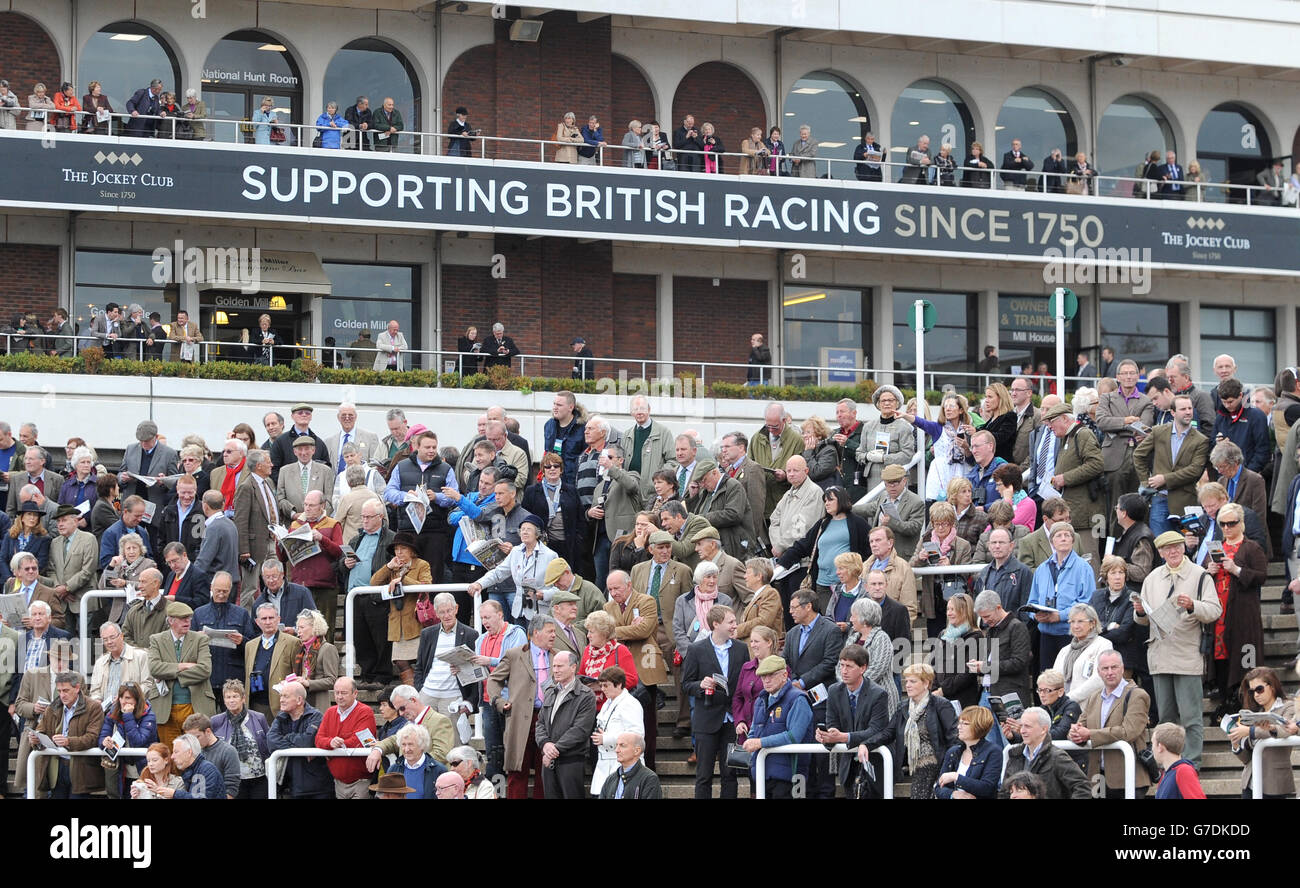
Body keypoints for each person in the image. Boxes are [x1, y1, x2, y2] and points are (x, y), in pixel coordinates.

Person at [1203, 502, 1265, 716]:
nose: (1227, 528)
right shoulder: (1215, 547)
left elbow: (1261, 576)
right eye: (1223, 524)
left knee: (1243, 655)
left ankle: (1243, 699)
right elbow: (1201, 577)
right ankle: (1224, 695)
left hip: (1242, 613)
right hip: (1218, 613)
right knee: (1221, 656)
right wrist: (1208, 570)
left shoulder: (1252, 547)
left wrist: (1237, 569)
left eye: (1232, 523)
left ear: (1241, 523)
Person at [681, 605, 748, 799]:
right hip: (706, 718)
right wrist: (700, 685)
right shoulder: (696, 649)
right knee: (704, 775)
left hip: (732, 720)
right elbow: (686, 684)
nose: (735, 625)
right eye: (731, 622)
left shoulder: (741, 648)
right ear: (716, 624)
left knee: (730, 774)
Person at [1068, 650, 1152, 797]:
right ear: (1099, 672)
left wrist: (1089, 734)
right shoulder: (1094, 697)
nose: (1110, 672)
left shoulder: (1138, 695)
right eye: (1105, 668)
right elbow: (1080, 725)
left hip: (1129, 776)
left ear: (1123, 668)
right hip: (1097, 778)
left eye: (1114, 667)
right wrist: (1074, 733)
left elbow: (1129, 732)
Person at [819, 644, 892, 795]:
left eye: (849, 666)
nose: (844, 671)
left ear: (863, 668)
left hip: (875, 766)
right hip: (849, 769)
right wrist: (827, 736)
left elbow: (876, 730)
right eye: (842, 665)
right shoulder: (834, 691)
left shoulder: (878, 694)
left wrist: (844, 736)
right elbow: (833, 725)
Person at [741, 655, 813, 798]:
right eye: (763, 676)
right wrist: (752, 740)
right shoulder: (761, 700)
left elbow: (794, 736)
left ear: (784, 675)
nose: (766, 680)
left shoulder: (798, 699)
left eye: (771, 675)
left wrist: (760, 742)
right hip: (762, 772)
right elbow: (754, 731)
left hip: (792, 776)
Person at [146, 599, 215, 746]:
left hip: (194, 706)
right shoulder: (156, 640)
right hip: (166, 709)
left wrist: (169, 673)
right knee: (171, 755)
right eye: (183, 619)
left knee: (196, 752)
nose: (187, 622)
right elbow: (154, 668)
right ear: (170, 621)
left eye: (189, 618)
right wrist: (182, 666)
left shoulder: (200, 639)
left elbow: (205, 670)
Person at [412, 593, 478, 741]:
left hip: (452, 696)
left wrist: (463, 670)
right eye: (442, 612)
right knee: (424, 741)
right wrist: (419, 689)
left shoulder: (470, 634)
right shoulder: (428, 633)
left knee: (453, 742)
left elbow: (477, 668)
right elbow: (420, 666)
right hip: (427, 693)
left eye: (449, 610)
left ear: (456, 609)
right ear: (436, 613)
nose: (446, 615)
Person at [887, 662, 957, 799]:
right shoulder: (903, 706)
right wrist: (864, 742)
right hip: (915, 765)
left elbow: (954, 738)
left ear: (926, 683)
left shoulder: (941, 704)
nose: (907, 685)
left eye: (913, 681)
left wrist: (948, 768)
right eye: (906, 681)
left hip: (938, 765)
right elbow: (888, 733)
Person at [31, 670, 105, 798]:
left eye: (65, 690)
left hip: (81, 769)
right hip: (56, 767)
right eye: (59, 691)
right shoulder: (52, 707)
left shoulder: (93, 707)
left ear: (77, 688)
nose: (62, 695)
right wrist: (35, 739)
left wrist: (68, 741)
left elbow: (93, 738)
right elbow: (41, 730)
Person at [1228, 667, 1294, 798]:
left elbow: (1286, 730)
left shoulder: (1288, 707)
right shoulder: (1254, 714)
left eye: (1259, 689)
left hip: (1274, 782)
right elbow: (1247, 759)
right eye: (1252, 691)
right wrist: (1236, 745)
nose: (1256, 695)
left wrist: (1250, 731)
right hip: (1250, 782)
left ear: (1272, 686)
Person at [999, 706, 1091, 799]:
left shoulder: (1057, 757)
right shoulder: (1015, 755)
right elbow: (1004, 793)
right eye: (1021, 726)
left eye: (1027, 726)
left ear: (1044, 729)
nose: (1022, 731)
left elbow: (1082, 786)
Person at [97, 681, 158, 798]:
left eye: (128, 698)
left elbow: (138, 741)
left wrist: (128, 716)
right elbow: (103, 735)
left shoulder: (149, 715)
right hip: (122, 769)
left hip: (142, 767)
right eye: (121, 697)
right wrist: (104, 741)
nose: (123, 701)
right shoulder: (113, 711)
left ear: (137, 699)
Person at [934, 706, 1000, 799]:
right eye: (959, 723)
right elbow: (938, 787)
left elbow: (987, 787)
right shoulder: (953, 752)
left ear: (979, 726)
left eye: (965, 723)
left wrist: (956, 777)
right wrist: (953, 794)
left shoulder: (993, 751)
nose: (958, 727)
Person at [1052, 602, 1112, 703]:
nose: (1076, 626)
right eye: (1072, 621)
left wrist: (1068, 699)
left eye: (1080, 621)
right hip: (1064, 708)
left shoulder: (1103, 645)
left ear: (1092, 623)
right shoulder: (1065, 650)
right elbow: (1053, 679)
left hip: (1090, 707)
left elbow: (1099, 679)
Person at [1151, 722, 1207, 799]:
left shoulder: (1183, 771)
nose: (1151, 748)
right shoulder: (1166, 773)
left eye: (1152, 743)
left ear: (1160, 747)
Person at [598, 732, 662, 798]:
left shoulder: (649, 778)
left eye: (622, 745)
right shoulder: (611, 779)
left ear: (636, 751)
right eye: (616, 745)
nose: (616, 750)